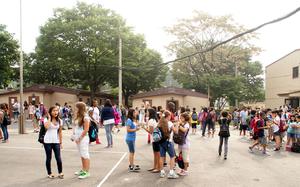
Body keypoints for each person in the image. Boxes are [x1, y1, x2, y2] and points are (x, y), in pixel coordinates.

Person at [43, 106, 63, 179]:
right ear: (50, 112)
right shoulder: (46, 119)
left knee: (58, 158)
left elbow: (60, 132)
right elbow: (47, 127)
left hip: (56, 141)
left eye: (57, 111)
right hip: (47, 141)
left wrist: (61, 143)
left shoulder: (60, 120)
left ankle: (60, 172)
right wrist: (49, 118)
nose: (56, 112)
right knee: (49, 158)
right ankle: (49, 173)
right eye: (54, 111)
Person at [72, 102, 91, 179]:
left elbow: (86, 129)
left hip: (83, 139)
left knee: (85, 154)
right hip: (78, 138)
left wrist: (80, 138)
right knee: (81, 154)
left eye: (76, 107)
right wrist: (74, 136)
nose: (75, 109)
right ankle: (83, 169)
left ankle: (87, 172)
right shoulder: (78, 116)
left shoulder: (86, 117)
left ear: (79, 108)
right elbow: (76, 127)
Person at [158, 110, 179, 179]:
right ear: (168, 116)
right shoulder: (169, 123)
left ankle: (162, 172)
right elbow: (176, 131)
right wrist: (177, 125)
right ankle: (171, 173)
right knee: (172, 157)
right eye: (170, 115)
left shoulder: (160, 122)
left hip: (161, 142)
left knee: (161, 157)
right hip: (168, 142)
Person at [143, 108, 160, 173]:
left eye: (147, 112)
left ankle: (158, 168)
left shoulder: (151, 121)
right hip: (156, 138)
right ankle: (155, 167)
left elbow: (151, 132)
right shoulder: (154, 119)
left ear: (150, 113)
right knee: (156, 154)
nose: (146, 113)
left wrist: (144, 128)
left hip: (155, 139)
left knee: (157, 154)